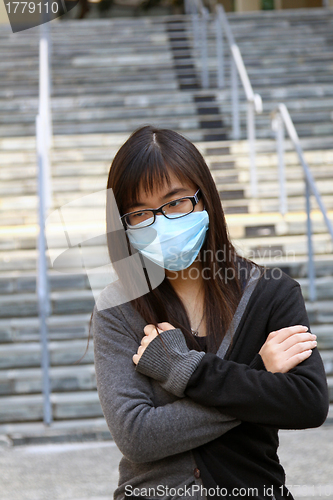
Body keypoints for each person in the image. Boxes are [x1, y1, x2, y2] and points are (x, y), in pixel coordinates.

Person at [91, 125, 329, 500]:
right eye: (140, 213)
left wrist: (186, 371)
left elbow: (307, 402)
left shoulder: (270, 292)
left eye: (176, 203)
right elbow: (137, 436)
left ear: (205, 200)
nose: (163, 221)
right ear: (123, 225)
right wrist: (258, 376)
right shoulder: (119, 307)